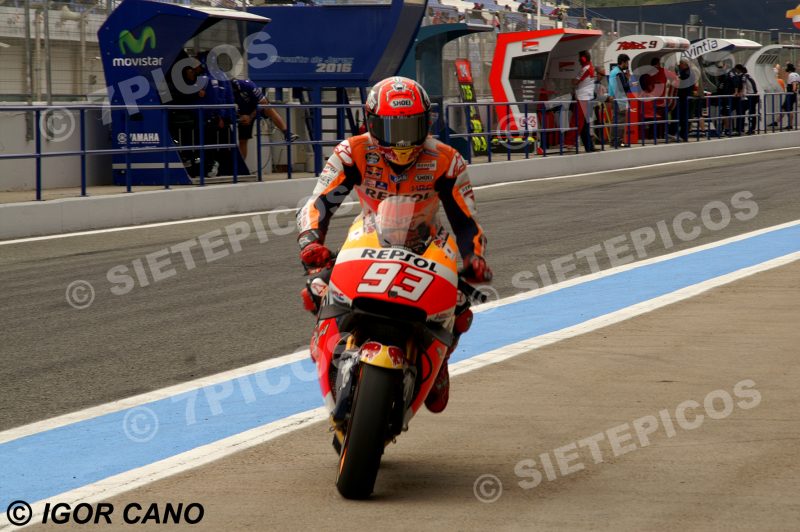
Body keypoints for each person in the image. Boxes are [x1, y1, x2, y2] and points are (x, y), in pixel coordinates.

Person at [296, 77, 492, 414]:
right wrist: (311, 242)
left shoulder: (447, 160)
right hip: (370, 233)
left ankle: (440, 361)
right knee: (316, 286)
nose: (401, 140)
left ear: (427, 124)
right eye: (390, 127)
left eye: (411, 126)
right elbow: (319, 204)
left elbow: (465, 220)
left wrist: (474, 256)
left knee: (461, 305)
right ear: (371, 123)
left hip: (428, 240)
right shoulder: (352, 152)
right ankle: (325, 340)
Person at [231, 78, 297, 159]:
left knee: (268, 108)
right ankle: (240, 168)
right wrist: (240, 116)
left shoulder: (248, 85)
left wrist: (251, 116)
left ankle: (287, 133)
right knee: (242, 140)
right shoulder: (227, 91)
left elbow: (263, 103)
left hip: (256, 107)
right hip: (242, 112)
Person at [572, 50, 595, 152]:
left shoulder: (585, 69)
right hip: (588, 99)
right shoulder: (590, 67)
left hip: (583, 99)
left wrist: (573, 80)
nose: (578, 60)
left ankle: (587, 146)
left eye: (579, 58)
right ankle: (589, 147)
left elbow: (575, 81)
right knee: (587, 124)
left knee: (580, 124)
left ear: (583, 59)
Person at [608, 53, 632, 148]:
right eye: (627, 63)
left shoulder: (614, 71)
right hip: (619, 99)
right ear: (623, 62)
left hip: (616, 98)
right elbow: (624, 87)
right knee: (620, 121)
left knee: (616, 120)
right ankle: (617, 141)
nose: (627, 65)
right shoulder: (618, 73)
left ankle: (614, 140)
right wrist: (629, 79)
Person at [735, 64, 759, 135]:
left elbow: (743, 85)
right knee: (752, 113)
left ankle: (741, 129)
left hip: (750, 96)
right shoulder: (748, 75)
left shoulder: (743, 76)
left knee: (743, 111)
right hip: (754, 95)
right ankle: (752, 129)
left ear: (738, 70)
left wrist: (739, 93)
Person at [676, 59, 696, 142]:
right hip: (689, 97)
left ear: (684, 64)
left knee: (683, 116)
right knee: (687, 116)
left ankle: (683, 134)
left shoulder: (685, 73)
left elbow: (681, 85)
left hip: (684, 97)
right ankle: (684, 134)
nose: (679, 65)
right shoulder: (691, 73)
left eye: (680, 64)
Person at [779, 63, 799, 130]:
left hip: (790, 95)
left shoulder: (791, 75)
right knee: (784, 108)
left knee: (789, 109)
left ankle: (790, 125)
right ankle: (776, 121)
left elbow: (794, 83)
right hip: (792, 95)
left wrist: (794, 90)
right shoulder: (797, 74)